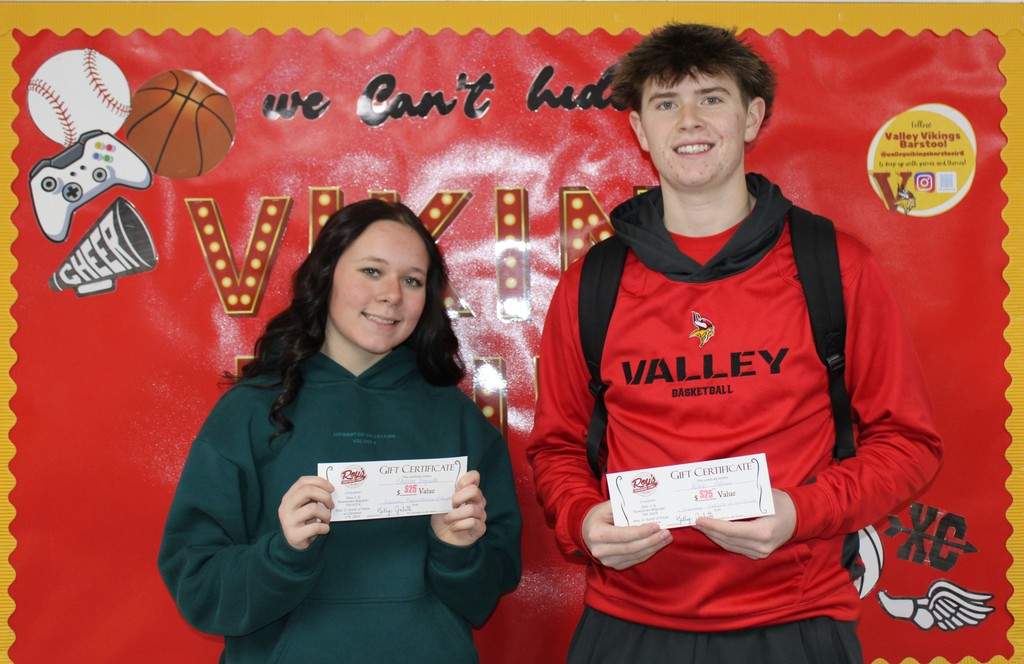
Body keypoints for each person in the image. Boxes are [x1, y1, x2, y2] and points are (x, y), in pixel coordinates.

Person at [526, 23, 942, 663]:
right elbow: (556, 447)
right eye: (665, 103)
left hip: (796, 624)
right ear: (639, 130)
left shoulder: (835, 266)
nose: (689, 120)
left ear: (752, 117)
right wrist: (582, 518)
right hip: (628, 626)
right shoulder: (591, 286)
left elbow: (909, 444)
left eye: (711, 98)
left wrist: (800, 513)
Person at [159, 199, 522, 663]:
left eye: (412, 280)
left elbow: (487, 593)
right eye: (372, 271)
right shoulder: (249, 413)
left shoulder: (459, 421)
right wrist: (282, 553)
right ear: (326, 274)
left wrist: (459, 552)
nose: (392, 294)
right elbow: (199, 587)